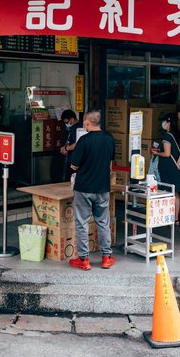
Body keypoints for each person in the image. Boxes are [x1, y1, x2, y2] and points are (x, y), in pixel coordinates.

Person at [68, 109, 115, 271]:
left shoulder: (84, 140)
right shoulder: (109, 139)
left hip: (84, 188)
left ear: (87, 122)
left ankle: (84, 259)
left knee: (82, 223)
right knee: (103, 222)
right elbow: (110, 164)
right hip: (102, 187)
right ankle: (107, 257)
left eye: (84, 122)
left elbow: (74, 165)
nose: (83, 125)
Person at [151, 113, 180, 226]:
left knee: (168, 193)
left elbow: (167, 153)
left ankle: (169, 219)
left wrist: (157, 153)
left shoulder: (167, 136)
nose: (162, 124)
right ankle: (176, 219)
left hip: (169, 168)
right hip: (176, 168)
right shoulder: (176, 135)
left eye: (164, 121)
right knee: (175, 194)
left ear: (168, 123)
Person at [59, 109, 82, 179]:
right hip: (72, 159)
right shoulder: (74, 128)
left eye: (67, 122)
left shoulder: (77, 128)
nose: (66, 124)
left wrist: (66, 148)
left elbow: (79, 143)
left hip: (75, 161)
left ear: (72, 119)